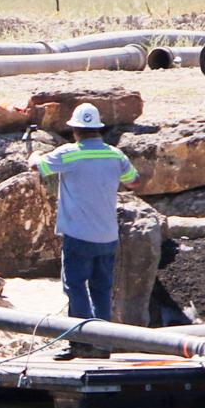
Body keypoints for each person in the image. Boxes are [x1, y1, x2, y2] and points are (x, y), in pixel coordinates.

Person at [30, 102, 140, 360]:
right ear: (98, 129)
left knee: (75, 287)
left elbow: (38, 167)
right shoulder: (115, 155)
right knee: (102, 289)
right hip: (108, 236)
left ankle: (80, 342)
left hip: (78, 235)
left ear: (75, 130)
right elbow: (134, 182)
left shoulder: (69, 154)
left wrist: (34, 155)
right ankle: (102, 344)